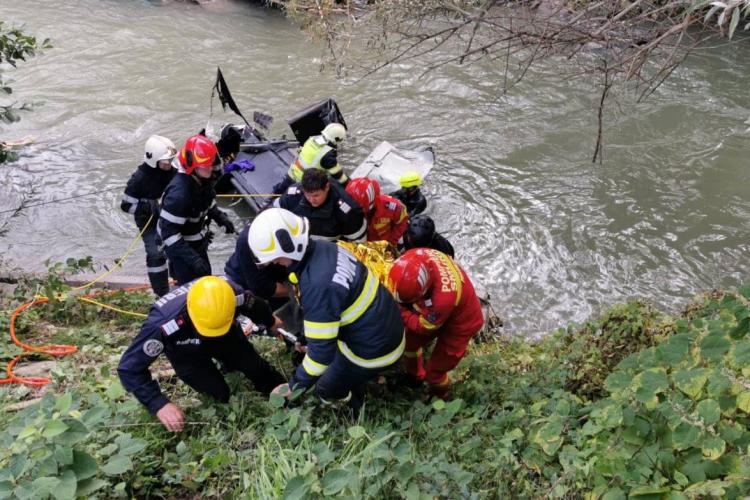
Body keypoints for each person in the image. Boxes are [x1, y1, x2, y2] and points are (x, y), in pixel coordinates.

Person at [248, 208, 405, 411]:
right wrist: (307, 339)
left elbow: (320, 357)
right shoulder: (324, 248)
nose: (276, 264)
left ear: (289, 247)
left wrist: (295, 385)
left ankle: (351, 411)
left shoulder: (317, 284)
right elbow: (328, 312)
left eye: (276, 259)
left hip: (374, 350)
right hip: (385, 327)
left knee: (326, 388)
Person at [117, 275, 286, 432]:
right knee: (217, 393)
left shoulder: (231, 294)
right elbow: (129, 368)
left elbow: (256, 306)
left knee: (257, 368)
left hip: (226, 335)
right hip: (184, 351)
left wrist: (271, 322)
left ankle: (282, 394)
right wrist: (158, 403)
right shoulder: (163, 324)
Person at [388, 248, 484, 399]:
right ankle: (415, 377)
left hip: (462, 323)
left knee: (435, 372)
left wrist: (400, 310)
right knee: (409, 343)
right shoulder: (415, 257)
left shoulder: (442, 299)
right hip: (440, 309)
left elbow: (424, 326)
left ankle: (439, 397)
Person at [158, 134, 236, 285]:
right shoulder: (179, 196)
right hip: (179, 247)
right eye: (206, 166)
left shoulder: (202, 179)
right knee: (192, 285)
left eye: (212, 162)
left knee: (205, 276)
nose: (212, 168)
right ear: (192, 167)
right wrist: (193, 260)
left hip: (194, 239)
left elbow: (205, 201)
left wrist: (220, 216)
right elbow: (169, 235)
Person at [120, 135, 176, 296]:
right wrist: (145, 207)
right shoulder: (139, 179)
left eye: (171, 160)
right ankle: (161, 293)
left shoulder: (171, 172)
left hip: (168, 216)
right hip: (148, 221)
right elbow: (126, 206)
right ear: (154, 160)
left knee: (177, 248)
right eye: (166, 161)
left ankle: (180, 282)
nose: (169, 164)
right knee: (155, 254)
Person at [274, 168, 366, 242]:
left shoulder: (347, 211)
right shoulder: (292, 196)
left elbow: (359, 244)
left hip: (331, 253)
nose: (311, 200)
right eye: (307, 194)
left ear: (327, 187)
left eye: (316, 195)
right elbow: (275, 215)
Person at [273, 123, 349, 194]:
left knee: (279, 190)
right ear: (336, 139)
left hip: (292, 173)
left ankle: (272, 195)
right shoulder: (327, 155)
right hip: (304, 182)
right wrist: (349, 185)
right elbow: (338, 175)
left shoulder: (312, 139)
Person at [224, 224, 290, 305]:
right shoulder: (247, 239)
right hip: (245, 285)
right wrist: (294, 292)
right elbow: (261, 287)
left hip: (278, 278)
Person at [346, 177, 409, 247]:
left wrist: (391, 242)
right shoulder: (348, 208)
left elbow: (402, 221)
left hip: (385, 244)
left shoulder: (391, 207)